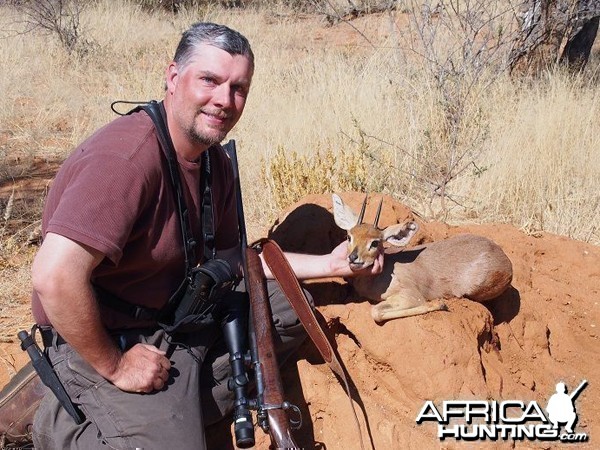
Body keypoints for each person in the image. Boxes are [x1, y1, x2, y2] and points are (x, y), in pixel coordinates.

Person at [30, 22, 383, 450]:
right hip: (102, 339)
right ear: (174, 78)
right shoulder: (125, 160)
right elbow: (54, 278)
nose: (224, 100)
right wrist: (117, 366)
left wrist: (332, 264)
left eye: (238, 88)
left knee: (294, 306)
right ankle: (71, 423)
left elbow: (236, 261)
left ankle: (173, 402)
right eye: (210, 81)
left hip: (178, 319)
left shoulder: (215, 161)